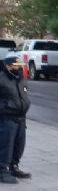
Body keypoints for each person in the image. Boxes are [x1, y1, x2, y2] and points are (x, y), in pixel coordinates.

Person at [0, 55, 31, 183]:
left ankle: (14, 167)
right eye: (16, 66)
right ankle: (2, 171)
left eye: (20, 66)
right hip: (7, 118)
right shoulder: (1, 79)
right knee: (6, 146)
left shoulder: (21, 79)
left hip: (21, 118)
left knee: (19, 145)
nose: (19, 68)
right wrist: (6, 106)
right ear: (8, 66)